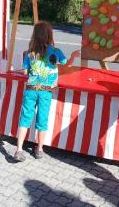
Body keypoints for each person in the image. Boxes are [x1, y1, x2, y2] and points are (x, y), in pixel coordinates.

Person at [14, 21, 80, 162]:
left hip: (31, 90)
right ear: (49, 35)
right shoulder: (56, 52)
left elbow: (26, 71)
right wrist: (73, 56)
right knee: (42, 119)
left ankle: (19, 149)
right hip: (46, 92)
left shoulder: (30, 53)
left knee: (25, 118)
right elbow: (67, 64)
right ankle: (39, 149)